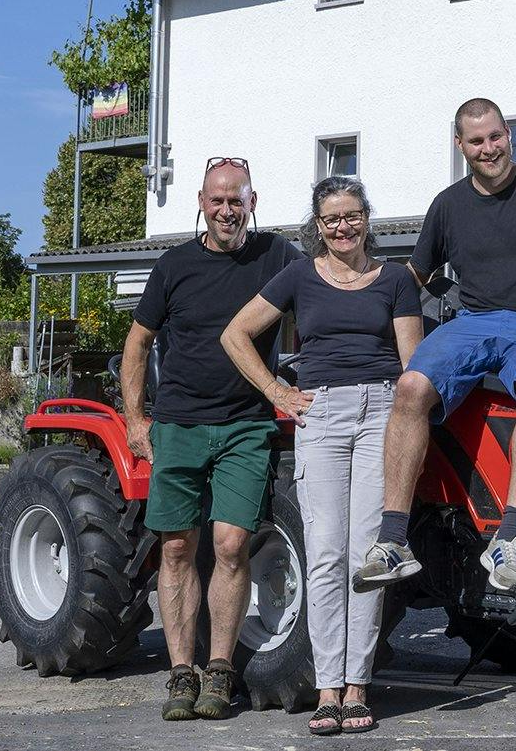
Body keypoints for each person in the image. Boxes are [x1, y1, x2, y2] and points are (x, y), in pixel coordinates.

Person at [354, 98, 516, 597]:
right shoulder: (448, 205)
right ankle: (392, 541)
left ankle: (510, 538)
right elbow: (414, 277)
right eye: (477, 141)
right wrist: (354, 297)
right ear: (460, 146)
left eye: (497, 136)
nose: (489, 148)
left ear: (508, 134)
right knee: (410, 387)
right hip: (473, 324)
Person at [221, 176, 421, 736]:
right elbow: (236, 334)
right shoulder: (299, 276)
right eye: (331, 219)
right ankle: (326, 689)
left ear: (367, 218)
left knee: (366, 554)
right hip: (322, 416)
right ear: (317, 225)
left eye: (352, 215)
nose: (343, 227)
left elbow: (412, 364)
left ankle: (358, 686)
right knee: (326, 555)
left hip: (381, 412)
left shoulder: (397, 280)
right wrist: (277, 392)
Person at [119, 157, 302, 722]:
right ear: (201, 201)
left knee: (229, 545)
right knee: (175, 548)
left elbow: (317, 298)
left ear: (253, 201)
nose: (227, 210)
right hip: (178, 423)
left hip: (246, 424)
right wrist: (135, 419)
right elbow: (137, 344)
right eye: (218, 200)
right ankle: (181, 672)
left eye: (237, 199)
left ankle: (220, 670)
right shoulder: (173, 265)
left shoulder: (276, 256)